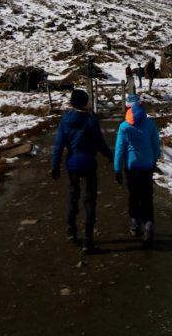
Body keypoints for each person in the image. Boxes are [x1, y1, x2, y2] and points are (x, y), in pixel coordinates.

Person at [51, 89, 113, 253]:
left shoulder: (65, 120)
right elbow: (99, 143)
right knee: (89, 200)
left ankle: (71, 230)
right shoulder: (91, 120)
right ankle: (87, 239)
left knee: (73, 197)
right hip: (88, 164)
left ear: (72, 102)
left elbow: (59, 145)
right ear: (85, 102)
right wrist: (110, 155)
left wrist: (55, 165)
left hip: (72, 164)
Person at [114, 102, 162, 247]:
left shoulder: (124, 126)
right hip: (147, 166)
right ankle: (148, 224)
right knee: (147, 196)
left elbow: (120, 149)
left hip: (131, 167)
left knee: (134, 194)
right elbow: (156, 146)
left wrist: (117, 168)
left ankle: (135, 222)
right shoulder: (150, 124)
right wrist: (153, 161)